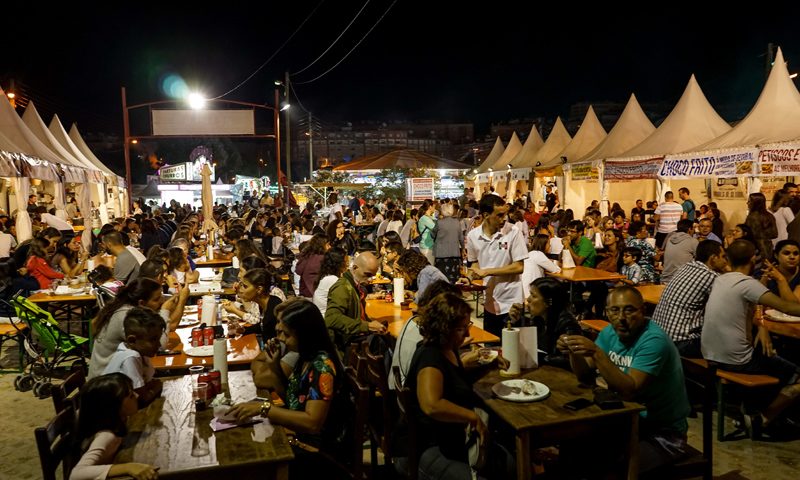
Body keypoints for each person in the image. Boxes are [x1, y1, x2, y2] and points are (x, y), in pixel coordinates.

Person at [557, 287, 690, 473]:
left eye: (629, 310)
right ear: (606, 311)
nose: (621, 317)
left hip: (662, 434)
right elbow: (584, 373)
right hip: (625, 424)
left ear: (642, 311)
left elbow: (629, 390)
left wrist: (596, 353)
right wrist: (573, 351)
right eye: (614, 310)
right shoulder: (609, 333)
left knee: (611, 467)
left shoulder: (653, 340)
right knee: (570, 446)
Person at [392, 292, 514, 480]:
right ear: (444, 328)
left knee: (509, 463)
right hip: (421, 449)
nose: (467, 334)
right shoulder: (430, 355)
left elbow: (456, 382)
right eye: (461, 328)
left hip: (447, 440)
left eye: (468, 326)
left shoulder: (448, 349)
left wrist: (489, 367)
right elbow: (432, 405)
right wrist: (473, 418)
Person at [226, 300, 350, 478]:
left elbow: (311, 423)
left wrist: (265, 408)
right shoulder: (305, 356)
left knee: (249, 458)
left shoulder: (322, 366)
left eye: (286, 334)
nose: (281, 339)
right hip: (305, 439)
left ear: (304, 334)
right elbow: (292, 402)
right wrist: (275, 366)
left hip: (321, 451)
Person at [701, 240, 800, 438]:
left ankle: (756, 411)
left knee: (771, 355)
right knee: (796, 372)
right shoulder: (746, 284)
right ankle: (762, 418)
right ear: (752, 260)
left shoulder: (721, 279)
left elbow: (752, 307)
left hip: (709, 352)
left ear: (728, 259)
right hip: (736, 359)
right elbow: (789, 308)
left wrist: (761, 326)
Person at [88, 278, 188, 379]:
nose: (162, 301)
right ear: (141, 303)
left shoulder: (127, 309)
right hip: (106, 382)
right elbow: (160, 345)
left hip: (121, 374)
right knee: (181, 371)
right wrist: (165, 311)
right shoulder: (128, 317)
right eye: (156, 299)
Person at [71, 373, 158, 480]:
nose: (137, 395)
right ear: (113, 406)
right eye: (131, 395)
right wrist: (128, 467)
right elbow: (76, 474)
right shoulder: (107, 436)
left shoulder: (119, 422)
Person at [652, 240, 728, 358]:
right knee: (732, 349)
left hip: (658, 336)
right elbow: (729, 306)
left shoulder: (686, 267)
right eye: (723, 257)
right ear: (713, 257)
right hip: (679, 342)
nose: (725, 261)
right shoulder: (711, 277)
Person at [466, 194, 527, 338]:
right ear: (486, 215)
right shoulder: (473, 236)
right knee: (490, 349)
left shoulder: (513, 231)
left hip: (512, 302)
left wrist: (487, 272)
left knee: (512, 350)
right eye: (499, 215)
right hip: (489, 301)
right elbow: (475, 263)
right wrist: (468, 279)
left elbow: (519, 267)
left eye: (505, 214)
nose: (504, 219)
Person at [509, 277, 582, 370]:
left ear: (549, 302)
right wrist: (516, 322)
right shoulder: (539, 319)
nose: (529, 299)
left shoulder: (567, 323)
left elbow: (571, 359)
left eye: (534, 296)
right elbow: (527, 344)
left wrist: (540, 358)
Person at [324, 252, 387, 359]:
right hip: (346, 350)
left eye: (372, 275)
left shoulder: (355, 287)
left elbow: (360, 316)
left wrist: (370, 324)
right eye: (367, 275)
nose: (370, 280)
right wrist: (367, 326)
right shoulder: (343, 288)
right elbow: (331, 319)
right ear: (355, 268)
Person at [101, 307, 165, 407]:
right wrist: (157, 387)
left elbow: (147, 384)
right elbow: (143, 398)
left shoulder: (139, 351)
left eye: (159, 338)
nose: (159, 344)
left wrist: (151, 387)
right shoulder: (130, 357)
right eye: (153, 339)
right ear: (132, 340)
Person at [225, 269, 282, 338]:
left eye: (245, 286)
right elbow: (261, 325)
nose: (241, 290)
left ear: (259, 289)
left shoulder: (273, 309)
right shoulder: (264, 303)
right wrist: (243, 330)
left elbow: (269, 335)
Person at [430, 203, 464, 284]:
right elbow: (461, 237)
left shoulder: (439, 222)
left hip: (441, 253)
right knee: (453, 277)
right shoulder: (457, 222)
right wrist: (463, 249)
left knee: (440, 277)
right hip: (454, 253)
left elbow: (432, 234)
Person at [660, 219, 698, 285]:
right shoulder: (692, 241)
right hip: (681, 281)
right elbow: (700, 260)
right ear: (689, 229)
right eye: (693, 228)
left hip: (664, 279)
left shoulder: (670, 239)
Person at [312, 247, 348, 316]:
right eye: (345, 261)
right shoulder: (332, 280)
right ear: (338, 263)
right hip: (326, 321)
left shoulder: (326, 276)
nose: (347, 264)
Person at [746, 192, 778, 262]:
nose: (747, 203)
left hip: (756, 249)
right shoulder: (770, 216)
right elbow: (775, 234)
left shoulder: (752, 217)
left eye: (749, 201)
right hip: (768, 248)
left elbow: (749, 234)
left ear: (755, 203)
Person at [295, 233, 328, 299]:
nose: (330, 247)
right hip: (314, 294)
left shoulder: (306, 256)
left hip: (304, 292)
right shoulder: (320, 259)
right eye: (328, 244)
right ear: (322, 245)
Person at [417, 200, 437, 265]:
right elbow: (436, 228)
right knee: (429, 268)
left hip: (431, 247)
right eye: (434, 206)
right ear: (430, 207)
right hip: (426, 247)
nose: (435, 208)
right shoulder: (424, 218)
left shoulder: (432, 218)